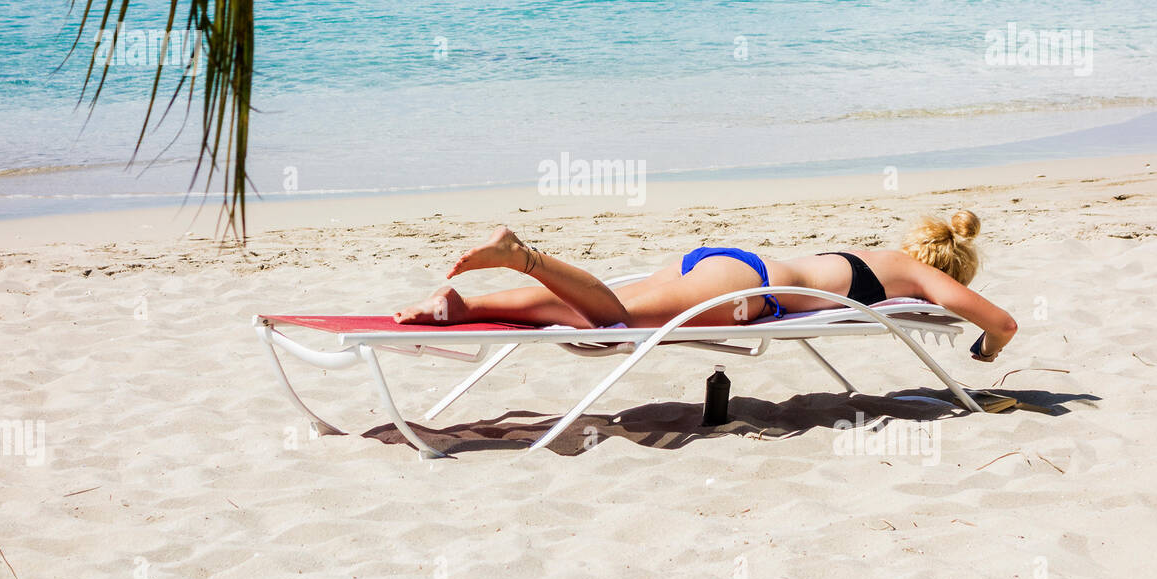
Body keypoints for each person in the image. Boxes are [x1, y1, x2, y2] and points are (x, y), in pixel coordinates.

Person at [394, 210, 1017, 361]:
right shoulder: (921, 277)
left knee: (603, 313)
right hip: (751, 291)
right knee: (617, 323)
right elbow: (1003, 323)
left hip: (730, 262)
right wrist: (983, 352)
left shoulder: (877, 252)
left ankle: (464, 304)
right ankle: (522, 256)